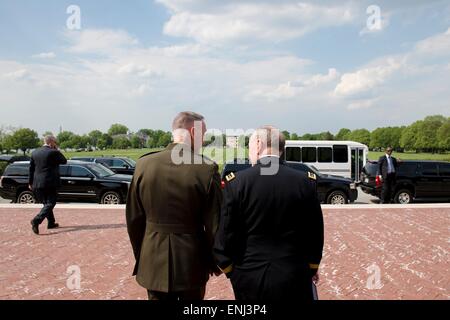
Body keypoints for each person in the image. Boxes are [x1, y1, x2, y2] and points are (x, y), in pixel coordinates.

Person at [214, 126, 324, 301]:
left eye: (249, 148)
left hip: (249, 276)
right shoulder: (305, 182)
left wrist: (231, 271)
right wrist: (311, 267)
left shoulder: (237, 182)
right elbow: (314, 233)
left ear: (258, 145)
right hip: (294, 274)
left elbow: (225, 235)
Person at [126, 111, 222, 301]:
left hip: (152, 258)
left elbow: (134, 220)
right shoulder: (206, 169)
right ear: (193, 132)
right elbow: (215, 226)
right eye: (202, 136)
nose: (202, 141)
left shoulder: (144, 164)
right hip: (192, 261)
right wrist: (214, 262)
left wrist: (143, 254)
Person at [29, 135, 67, 235]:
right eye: (55, 142)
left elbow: (31, 169)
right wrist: (56, 149)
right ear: (51, 142)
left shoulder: (35, 152)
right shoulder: (53, 152)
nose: (55, 144)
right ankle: (36, 220)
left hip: (37, 183)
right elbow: (64, 161)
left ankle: (51, 222)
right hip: (49, 182)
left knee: (46, 203)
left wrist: (30, 182)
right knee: (51, 203)